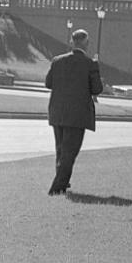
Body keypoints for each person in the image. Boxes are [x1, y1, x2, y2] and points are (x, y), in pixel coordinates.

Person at [45, 28, 104, 196]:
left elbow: (48, 83)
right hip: (77, 114)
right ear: (86, 44)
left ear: (72, 42)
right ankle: (57, 187)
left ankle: (62, 182)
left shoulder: (57, 61)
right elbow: (97, 89)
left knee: (61, 150)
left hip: (58, 111)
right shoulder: (90, 64)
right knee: (70, 152)